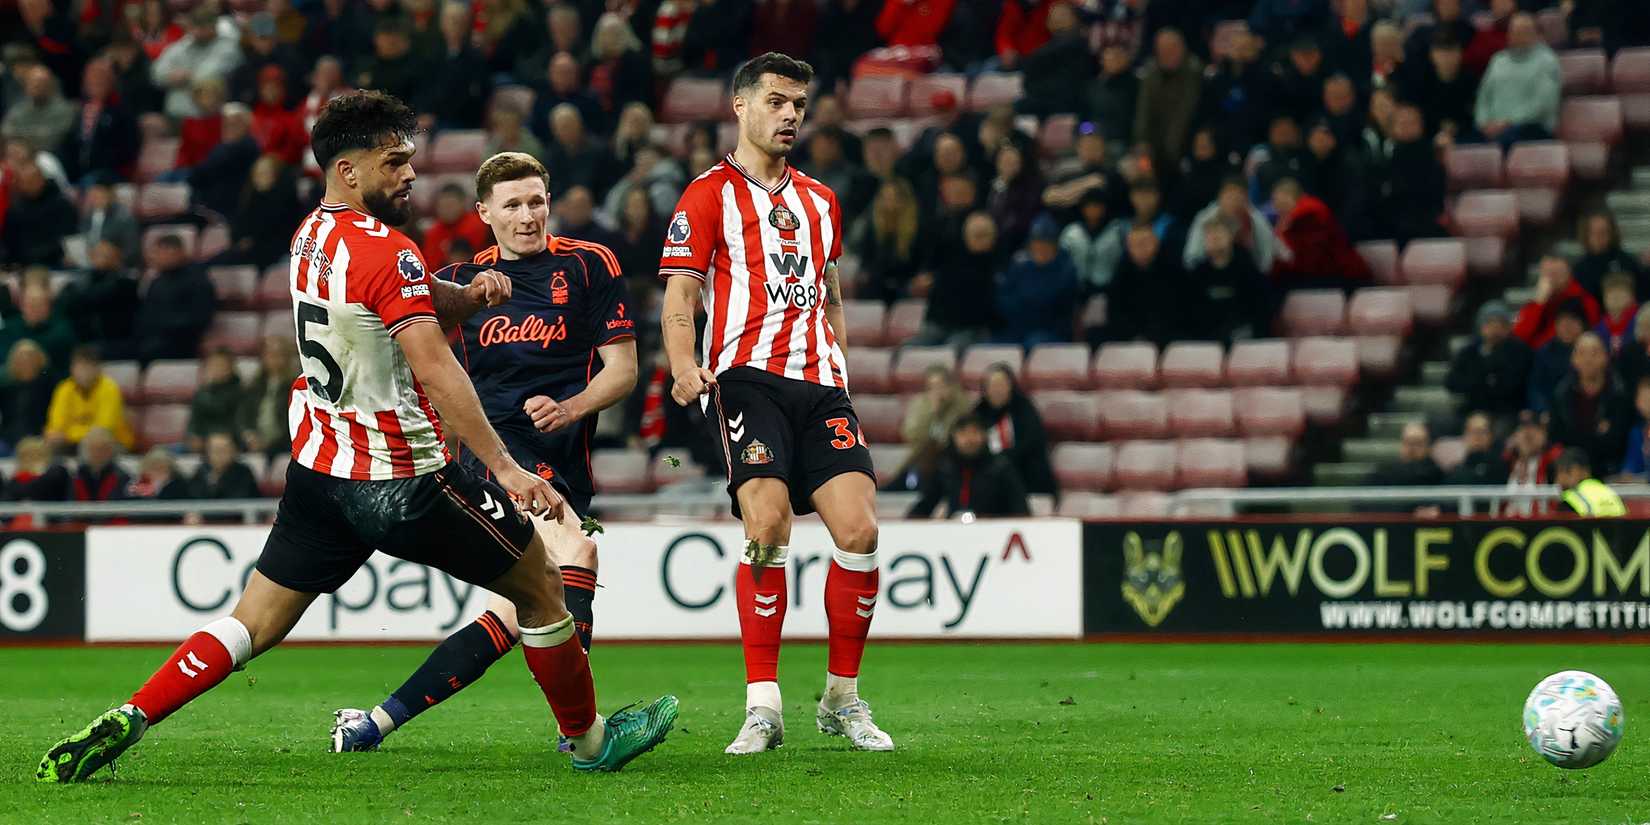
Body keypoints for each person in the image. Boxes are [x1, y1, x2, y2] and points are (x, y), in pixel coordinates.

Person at [36, 91, 676, 784]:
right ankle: (589, 741)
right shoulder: (391, 251)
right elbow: (435, 369)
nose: (410, 176)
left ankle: (134, 713)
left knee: (250, 622)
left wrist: (471, 296)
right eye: (394, 162)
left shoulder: (310, 234)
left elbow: (403, 295)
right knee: (543, 586)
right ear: (349, 170)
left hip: (320, 470)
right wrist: (507, 469)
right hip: (403, 482)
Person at [331, 151, 640, 752]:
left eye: (536, 201)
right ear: (484, 213)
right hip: (495, 454)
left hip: (565, 458)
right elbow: (409, 356)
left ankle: (373, 724)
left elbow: (623, 371)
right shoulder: (462, 284)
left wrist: (571, 407)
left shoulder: (590, 265)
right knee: (577, 547)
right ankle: (581, 733)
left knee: (514, 610)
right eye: (513, 205)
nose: (528, 216)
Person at [658, 54, 891, 755]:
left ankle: (841, 698)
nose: (791, 114)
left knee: (860, 532)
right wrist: (680, 366)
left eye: (799, 103)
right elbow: (680, 294)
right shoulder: (706, 196)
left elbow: (831, 293)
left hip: (820, 384)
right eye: (777, 100)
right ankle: (763, 706)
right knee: (767, 520)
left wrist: (842, 371)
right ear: (740, 106)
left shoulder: (822, 201)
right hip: (746, 378)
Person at [907, 413, 1031, 519]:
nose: (969, 439)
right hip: (955, 534)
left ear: (984, 436)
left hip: (995, 535)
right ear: (954, 437)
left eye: (975, 432)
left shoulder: (1001, 468)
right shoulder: (946, 468)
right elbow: (925, 504)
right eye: (963, 433)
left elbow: (1020, 509)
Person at [1547, 333, 1632, 476]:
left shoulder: (1619, 394)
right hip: (1571, 471)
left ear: (1606, 357)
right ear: (1573, 359)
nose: (1588, 359)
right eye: (1581, 353)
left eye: (1594, 353)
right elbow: (1556, 437)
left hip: (1610, 471)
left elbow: (1618, 441)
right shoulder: (1561, 394)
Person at [1474, 12, 1560, 150]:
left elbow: (1543, 105)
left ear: (1536, 35)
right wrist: (1483, 123)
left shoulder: (1547, 61)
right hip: (1495, 129)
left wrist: (1507, 123)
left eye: (1524, 31)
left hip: (1532, 128)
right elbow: (1483, 97)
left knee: (1500, 142)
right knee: (1466, 142)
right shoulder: (1498, 60)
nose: (1518, 35)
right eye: (1514, 31)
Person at [1269, 177, 1372, 290]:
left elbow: (1306, 258)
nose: (1276, 206)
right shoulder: (1287, 220)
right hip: (1322, 276)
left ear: (1289, 196)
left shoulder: (1309, 211)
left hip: (1343, 277)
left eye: (1278, 199)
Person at [994, 214, 1079, 348]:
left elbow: (1055, 305)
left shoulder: (1066, 269)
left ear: (1055, 245)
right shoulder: (1019, 264)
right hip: (1017, 329)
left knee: (1034, 343)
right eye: (1037, 243)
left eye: (1046, 244)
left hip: (1051, 332)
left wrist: (1027, 301)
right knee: (991, 348)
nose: (1041, 248)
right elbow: (1004, 298)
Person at [975, 362, 1057, 500]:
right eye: (992, 385)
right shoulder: (978, 413)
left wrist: (1004, 461)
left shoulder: (1024, 409)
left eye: (1001, 384)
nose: (997, 390)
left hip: (1026, 474)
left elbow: (1031, 443)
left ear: (1011, 386)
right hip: (989, 476)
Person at [1184, 217, 1272, 344]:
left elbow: (1262, 310)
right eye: (1209, 235)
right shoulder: (1197, 274)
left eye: (1219, 233)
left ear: (1230, 237)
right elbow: (1191, 314)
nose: (1214, 238)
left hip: (1245, 339)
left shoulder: (1248, 270)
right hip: (1208, 340)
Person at [133, 234, 217, 363]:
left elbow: (200, 317)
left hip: (182, 343)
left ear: (177, 252)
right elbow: (146, 313)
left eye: (159, 252)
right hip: (151, 339)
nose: (154, 257)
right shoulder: (156, 281)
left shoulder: (198, 280)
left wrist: (162, 324)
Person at [1446, 301, 1530, 423]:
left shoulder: (1520, 351)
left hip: (1507, 411)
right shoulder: (1470, 351)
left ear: (1508, 328)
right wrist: (1481, 381)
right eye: (1490, 323)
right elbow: (1451, 382)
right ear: (1481, 327)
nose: (1495, 330)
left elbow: (1512, 385)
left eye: (1500, 324)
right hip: (1473, 409)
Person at [44, 346, 134, 451]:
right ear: (71, 368)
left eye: (87, 366)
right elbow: (56, 426)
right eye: (78, 366)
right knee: (50, 445)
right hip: (74, 441)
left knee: (97, 443)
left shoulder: (110, 388)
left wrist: (68, 435)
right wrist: (61, 435)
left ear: (97, 368)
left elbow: (104, 429)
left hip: (112, 442)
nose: (82, 371)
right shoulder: (64, 388)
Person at [1184, 177, 1274, 273]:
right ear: (1220, 197)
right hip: (1208, 272)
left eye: (1238, 198)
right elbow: (1191, 256)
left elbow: (1267, 257)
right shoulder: (1204, 218)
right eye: (1229, 197)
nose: (1233, 202)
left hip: (1246, 273)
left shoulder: (1257, 220)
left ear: (1246, 200)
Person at [1513, 256, 1600, 349]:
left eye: (1556, 274)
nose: (1551, 280)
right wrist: (1539, 303)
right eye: (1547, 274)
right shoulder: (1539, 300)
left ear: (1569, 276)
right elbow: (1520, 335)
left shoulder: (1584, 300)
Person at [1527, 301, 1588, 415]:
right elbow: (1536, 388)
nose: (1567, 327)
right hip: (1552, 412)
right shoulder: (1545, 352)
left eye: (1573, 321)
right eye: (1562, 322)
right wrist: (1543, 410)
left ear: (1583, 325)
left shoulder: (1592, 349)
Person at [1573, 211, 1649, 302]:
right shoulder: (1580, 268)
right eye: (1594, 232)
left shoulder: (1627, 261)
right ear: (1586, 235)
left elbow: (1642, 292)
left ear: (1612, 233)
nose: (1599, 237)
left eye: (1604, 232)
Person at [0, 339, 54, 450]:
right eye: (21, 358)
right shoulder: (6, 387)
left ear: (39, 360)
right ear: (13, 362)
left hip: (40, 437)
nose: (25, 361)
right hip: (9, 437)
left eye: (30, 357)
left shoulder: (50, 384)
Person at [187, 350, 242, 453]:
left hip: (226, 444)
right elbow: (194, 420)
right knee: (161, 454)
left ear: (230, 368)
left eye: (220, 365)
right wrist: (193, 435)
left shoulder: (239, 392)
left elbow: (235, 423)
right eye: (212, 365)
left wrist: (208, 439)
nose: (215, 369)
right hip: (202, 442)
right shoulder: (202, 392)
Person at [187, 432, 263, 500]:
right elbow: (192, 497)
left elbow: (239, 499)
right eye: (215, 450)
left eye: (224, 450)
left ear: (234, 451)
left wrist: (217, 483)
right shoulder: (201, 471)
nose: (219, 455)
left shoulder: (243, 472)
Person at [1365, 421, 1443, 487]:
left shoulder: (1437, 475)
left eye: (1418, 443)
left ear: (1428, 446)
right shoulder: (1384, 473)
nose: (1412, 449)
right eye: (1408, 442)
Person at [1554, 448, 1626, 518]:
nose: (1559, 479)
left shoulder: (1570, 498)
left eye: (1567, 471)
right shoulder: (1609, 492)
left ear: (1582, 470)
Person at [1446, 412, 1509, 485]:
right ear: (1464, 436)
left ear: (1491, 436)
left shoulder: (1501, 469)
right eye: (1472, 431)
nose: (1477, 437)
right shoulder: (1455, 472)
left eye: (1482, 431)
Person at [1594, 272, 1638, 356]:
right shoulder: (1598, 329)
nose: (1615, 296)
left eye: (1621, 291)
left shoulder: (1642, 323)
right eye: (1610, 292)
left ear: (1632, 297)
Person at [1616, 378, 1650, 482]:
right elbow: (1632, 464)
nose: (1647, 404)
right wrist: (1627, 474)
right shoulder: (1637, 433)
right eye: (1643, 399)